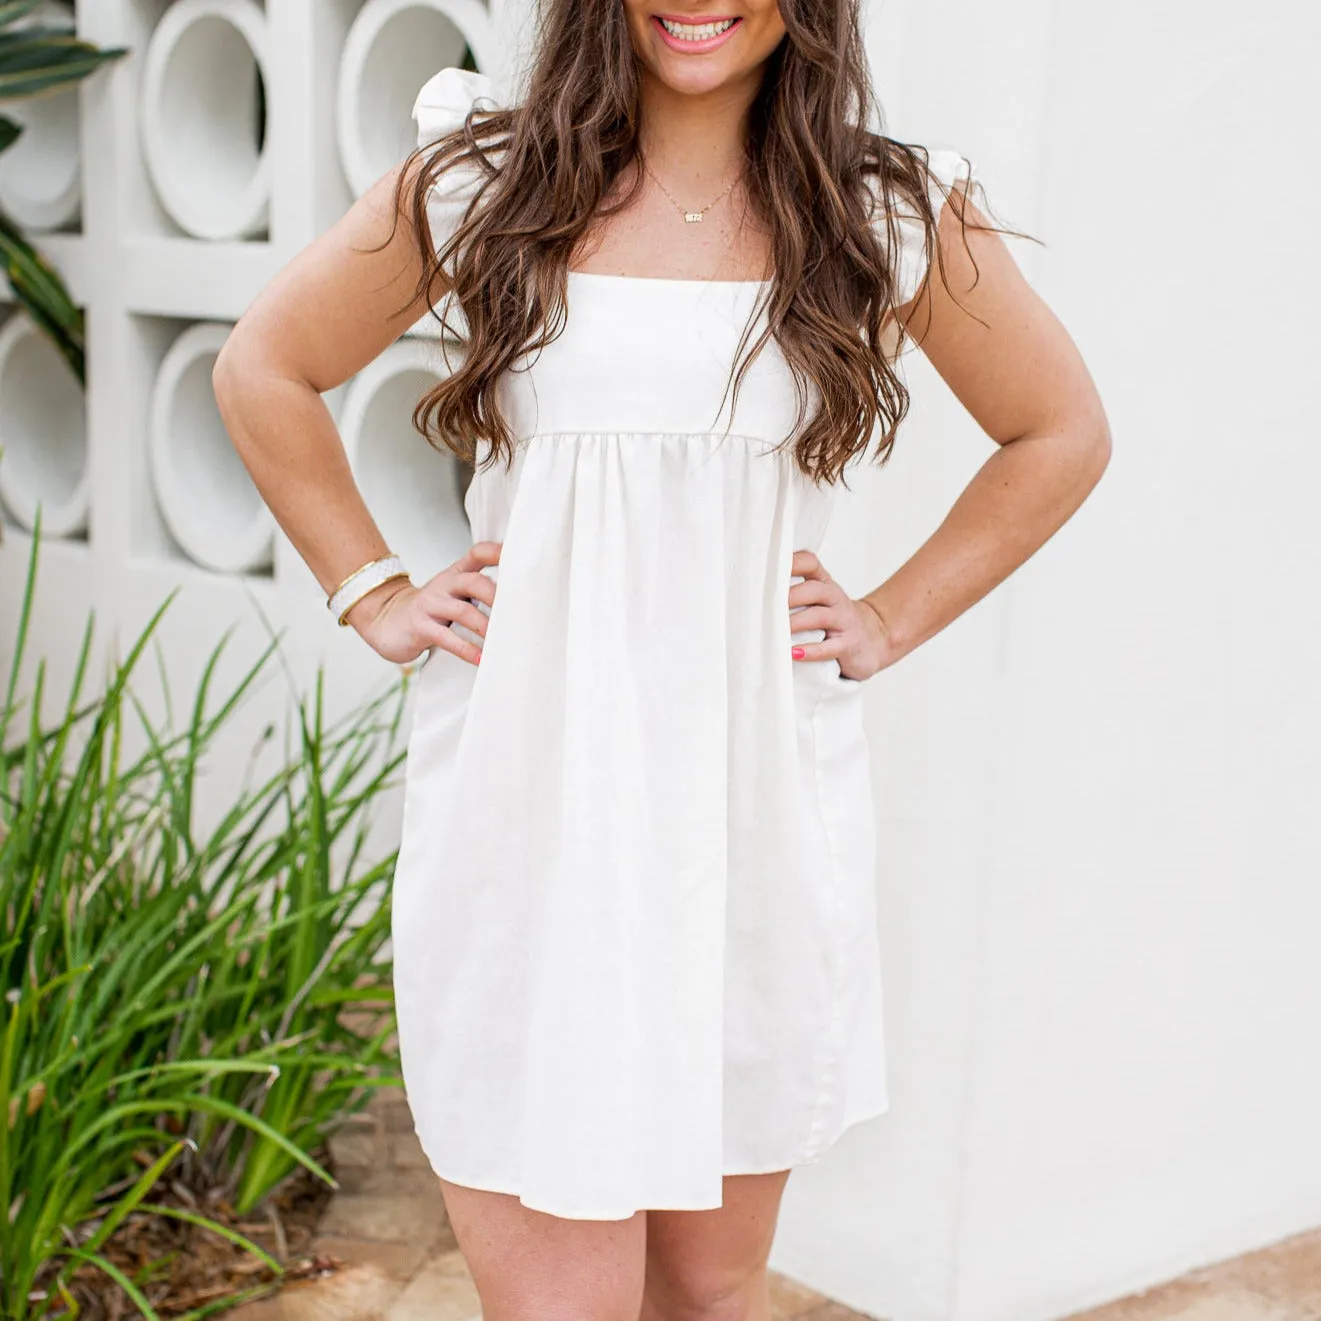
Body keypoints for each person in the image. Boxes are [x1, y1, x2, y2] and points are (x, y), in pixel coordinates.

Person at [214, 1, 1110, 1317]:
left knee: (709, 1290)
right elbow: (264, 367)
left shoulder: (883, 211)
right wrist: (374, 589)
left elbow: (1059, 431)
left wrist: (891, 617)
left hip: (746, 829)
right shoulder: (486, 182)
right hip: (534, 817)